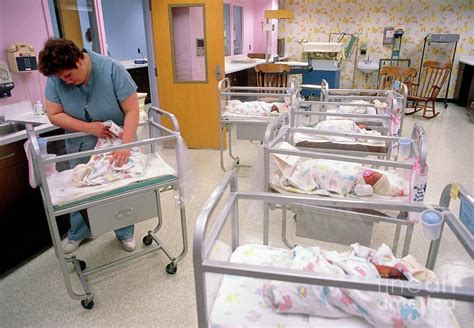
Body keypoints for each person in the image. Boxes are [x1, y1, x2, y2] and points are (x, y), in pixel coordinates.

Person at [38, 38, 139, 253]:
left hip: (114, 140)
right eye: (60, 78)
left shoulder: (111, 69)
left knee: (116, 187)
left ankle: (125, 231)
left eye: (67, 75)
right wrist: (88, 128)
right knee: (80, 187)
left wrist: (125, 145)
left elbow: (132, 110)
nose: (65, 82)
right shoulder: (57, 79)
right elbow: (54, 115)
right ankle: (79, 232)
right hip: (79, 141)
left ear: (79, 60)